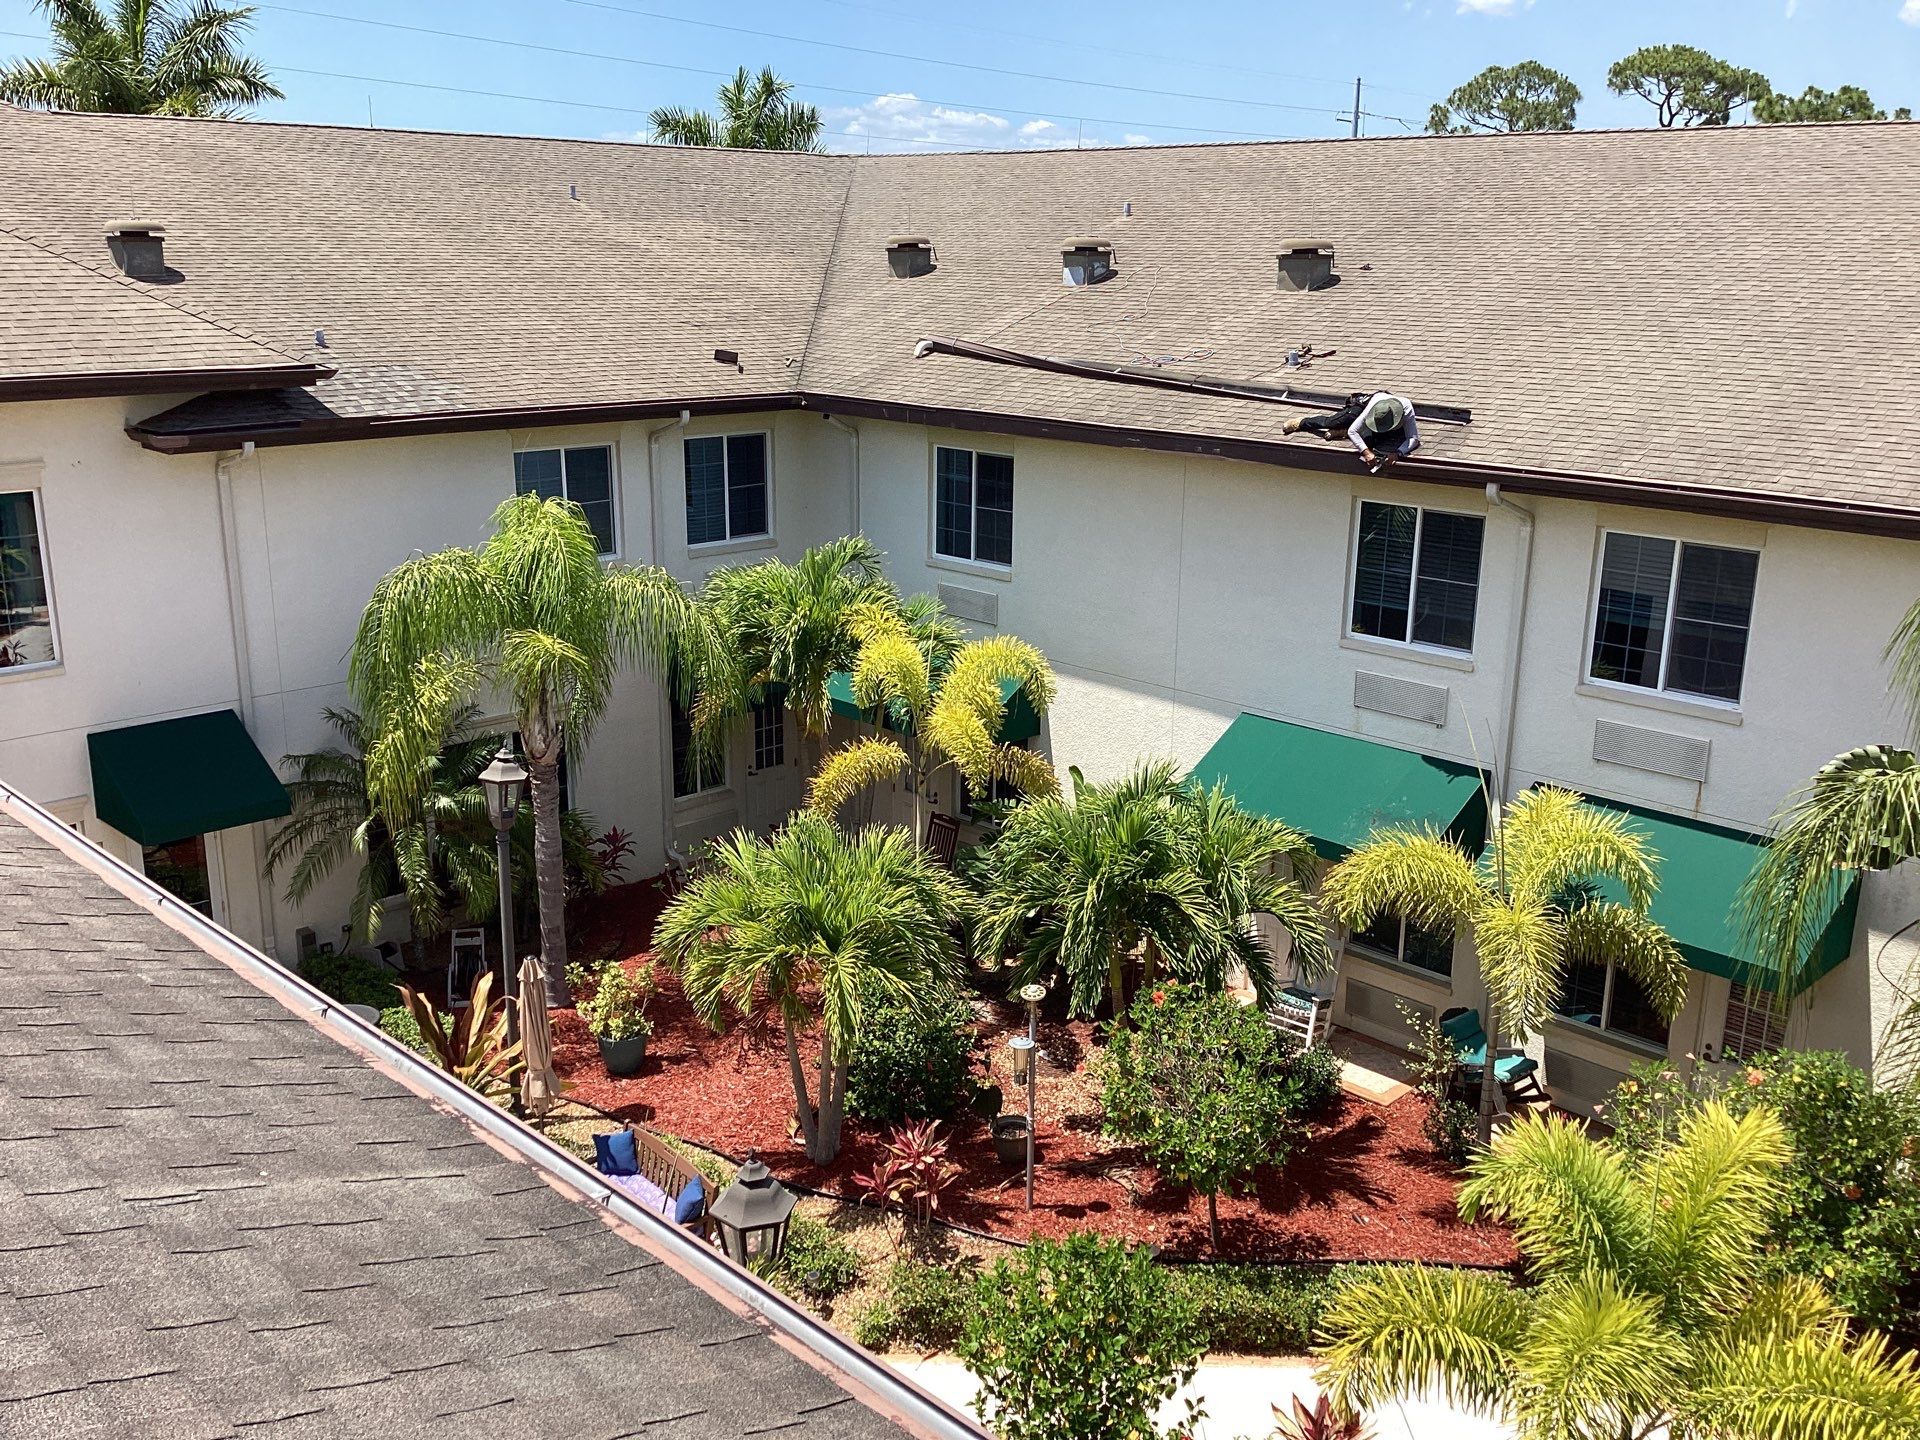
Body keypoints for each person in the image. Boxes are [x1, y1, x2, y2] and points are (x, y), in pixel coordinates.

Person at [1283, 390, 1420, 472]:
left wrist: (1397, 453)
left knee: (1374, 442)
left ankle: (1341, 432)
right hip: (1362, 406)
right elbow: (1353, 432)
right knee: (1332, 422)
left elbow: (1413, 438)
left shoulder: (1406, 408)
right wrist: (1366, 453)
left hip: (1385, 420)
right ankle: (1301, 423)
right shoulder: (1372, 409)